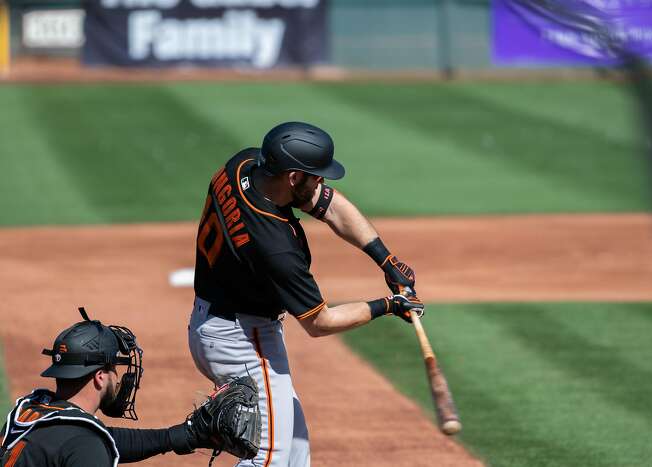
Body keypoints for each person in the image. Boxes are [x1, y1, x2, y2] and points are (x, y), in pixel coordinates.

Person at [188, 121, 425, 467]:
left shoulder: (244, 165)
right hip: (239, 339)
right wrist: (388, 305)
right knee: (270, 456)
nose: (322, 183)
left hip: (223, 319)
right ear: (293, 177)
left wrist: (385, 260)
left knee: (294, 450)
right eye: (316, 176)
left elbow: (329, 205)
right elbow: (319, 322)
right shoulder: (275, 247)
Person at [1, 307, 260, 466]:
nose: (118, 376)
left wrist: (181, 435)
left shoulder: (33, 412)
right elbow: (89, 446)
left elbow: (105, 440)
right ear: (100, 377)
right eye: (114, 368)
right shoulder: (83, 445)